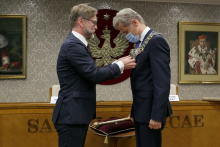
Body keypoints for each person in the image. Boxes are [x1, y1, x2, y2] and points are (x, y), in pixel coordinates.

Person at [52, 4, 136, 147]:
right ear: (81, 21)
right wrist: (120, 65)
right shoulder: (74, 45)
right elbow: (94, 75)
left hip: (75, 115)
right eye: (94, 22)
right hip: (72, 116)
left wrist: (117, 63)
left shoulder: (77, 44)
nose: (96, 27)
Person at [113, 8, 173, 147]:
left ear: (134, 22)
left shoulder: (156, 41)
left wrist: (157, 115)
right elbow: (141, 81)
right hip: (141, 111)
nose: (125, 36)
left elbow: (162, 81)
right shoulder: (141, 42)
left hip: (151, 113)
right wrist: (134, 111)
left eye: (125, 32)